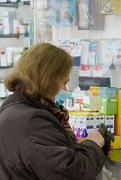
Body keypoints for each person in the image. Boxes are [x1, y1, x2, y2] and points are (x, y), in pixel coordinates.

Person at [0, 43, 106, 179]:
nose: (66, 89)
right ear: (48, 80)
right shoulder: (32, 122)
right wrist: (93, 144)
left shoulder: (13, 108)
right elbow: (71, 171)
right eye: (64, 82)